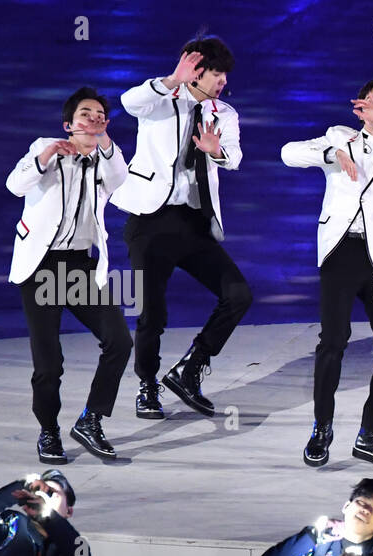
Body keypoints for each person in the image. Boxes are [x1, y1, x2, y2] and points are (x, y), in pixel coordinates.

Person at [281, 78, 373, 469]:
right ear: (358, 107)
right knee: (333, 340)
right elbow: (289, 153)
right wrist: (331, 153)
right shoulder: (338, 137)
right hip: (342, 253)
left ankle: (371, 435)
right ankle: (322, 427)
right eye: (370, 99)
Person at [110, 35, 252, 419]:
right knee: (152, 313)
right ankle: (147, 386)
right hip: (150, 220)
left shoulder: (224, 114)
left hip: (194, 221)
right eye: (216, 73)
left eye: (225, 74)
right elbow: (128, 101)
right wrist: (172, 80)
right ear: (196, 70)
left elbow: (234, 157)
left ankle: (190, 367)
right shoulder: (160, 99)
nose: (222, 81)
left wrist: (216, 151)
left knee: (238, 294)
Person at [7, 86, 132, 463]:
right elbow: (15, 185)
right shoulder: (44, 148)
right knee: (49, 363)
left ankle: (91, 419)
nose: (93, 119)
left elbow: (120, 177)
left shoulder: (105, 161)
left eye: (99, 116)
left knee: (119, 341)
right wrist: (45, 156)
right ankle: (48, 430)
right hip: (41, 266)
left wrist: (103, 140)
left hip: (79, 266)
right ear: (68, 124)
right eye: (85, 114)